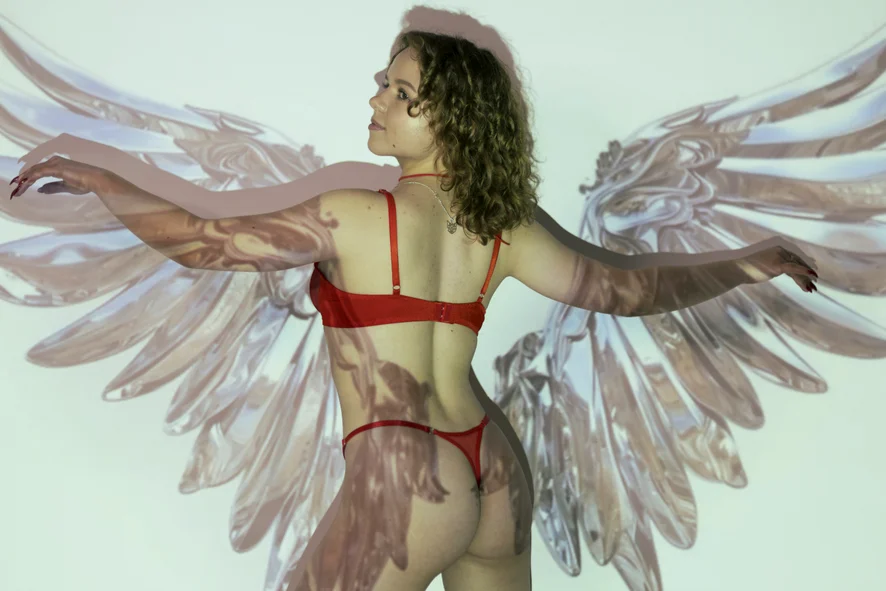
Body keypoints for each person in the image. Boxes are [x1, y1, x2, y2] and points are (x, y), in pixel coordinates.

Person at [9, 30, 817, 591]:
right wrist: (746, 263)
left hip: (406, 473)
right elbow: (629, 291)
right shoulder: (504, 226)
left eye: (403, 92)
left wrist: (99, 177)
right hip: (493, 469)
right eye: (384, 83)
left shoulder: (352, 213)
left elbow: (200, 242)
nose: (379, 98)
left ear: (451, 121)